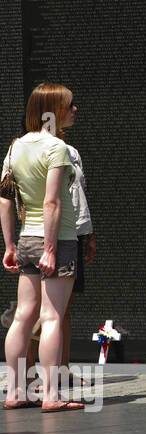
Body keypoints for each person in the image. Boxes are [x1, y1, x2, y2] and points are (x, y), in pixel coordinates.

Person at [1, 84, 84, 411]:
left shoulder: (15, 148)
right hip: (56, 240)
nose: (75, 109)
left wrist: (10, 244)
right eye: (70, 105)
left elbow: (5, 200)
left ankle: (15, 392)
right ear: (53, 110)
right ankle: (51, 396)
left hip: (26, 240)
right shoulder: (57, 148)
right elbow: (52, 202)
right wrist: (51, 248)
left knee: (23, 316)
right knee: (51, 317)